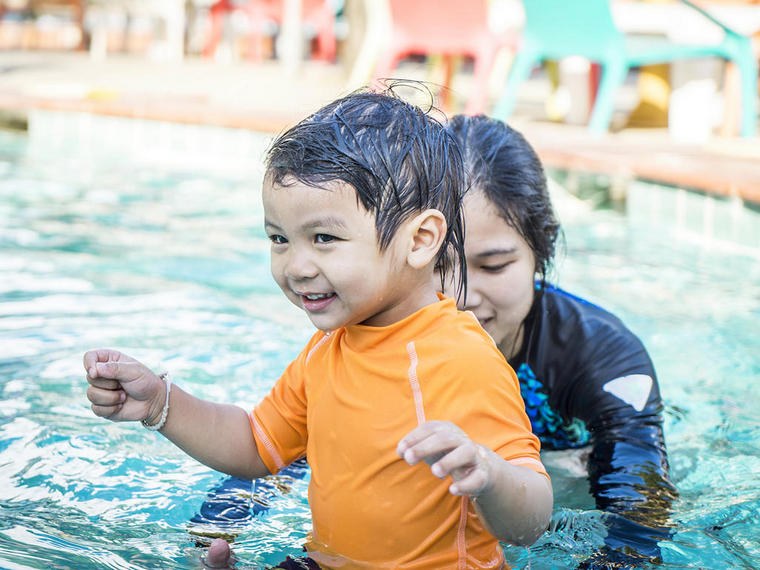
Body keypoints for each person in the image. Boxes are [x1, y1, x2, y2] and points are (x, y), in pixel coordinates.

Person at [84, 87, 553, 569]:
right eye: (280, 239)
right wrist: (162, 404)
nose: (296, 266)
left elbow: (533, 517)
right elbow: (255, 444)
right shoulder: (326, 350)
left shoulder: (461, 359)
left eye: (324, 238)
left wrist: (490, 475)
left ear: (420, 240)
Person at [443, 114, 678, 569]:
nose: (463, 296)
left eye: (493, 266)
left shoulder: (604, 358)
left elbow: (638, 514)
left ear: (541, 249)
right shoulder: (377, 336)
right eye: (438, 266)